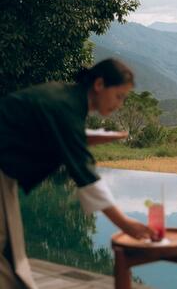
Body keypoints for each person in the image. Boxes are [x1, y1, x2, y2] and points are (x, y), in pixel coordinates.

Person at [0, 58, 157, 289]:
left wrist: (81, 140)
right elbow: (86, 175)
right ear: (100, 84)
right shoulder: (65, 107)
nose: (120, 104)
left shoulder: (66, 98)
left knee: (10, 250)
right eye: (119, 96)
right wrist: (124, 223)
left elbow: (44, 136)